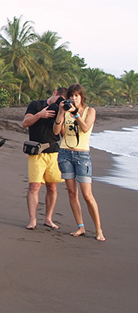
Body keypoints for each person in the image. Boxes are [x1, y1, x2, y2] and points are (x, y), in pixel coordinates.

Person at [53, 83, 105, 241]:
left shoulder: (90, 111)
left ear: (82, 96)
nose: (74, 98)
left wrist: (76, 114)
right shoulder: (65, 110)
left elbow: (85, 128)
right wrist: (61, 113)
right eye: (71, 96)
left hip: (82, 155)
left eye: (76, 95)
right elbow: (56, 132)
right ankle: (80, 226)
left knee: (87, 195)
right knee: (71, 193)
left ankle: (98, 229)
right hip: (65, 153)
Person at [22, 87, 67, 230]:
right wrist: (39, 115)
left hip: (53, 152)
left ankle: (48, 218)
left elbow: (63, 134)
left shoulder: (62, 111)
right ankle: (32, 220)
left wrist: (62, 113)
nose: (60, 102)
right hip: (36, 151)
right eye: (59, 99)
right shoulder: (36, 105)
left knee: (52, 186)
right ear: (54, 93)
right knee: (34, 185)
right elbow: (25, 123)